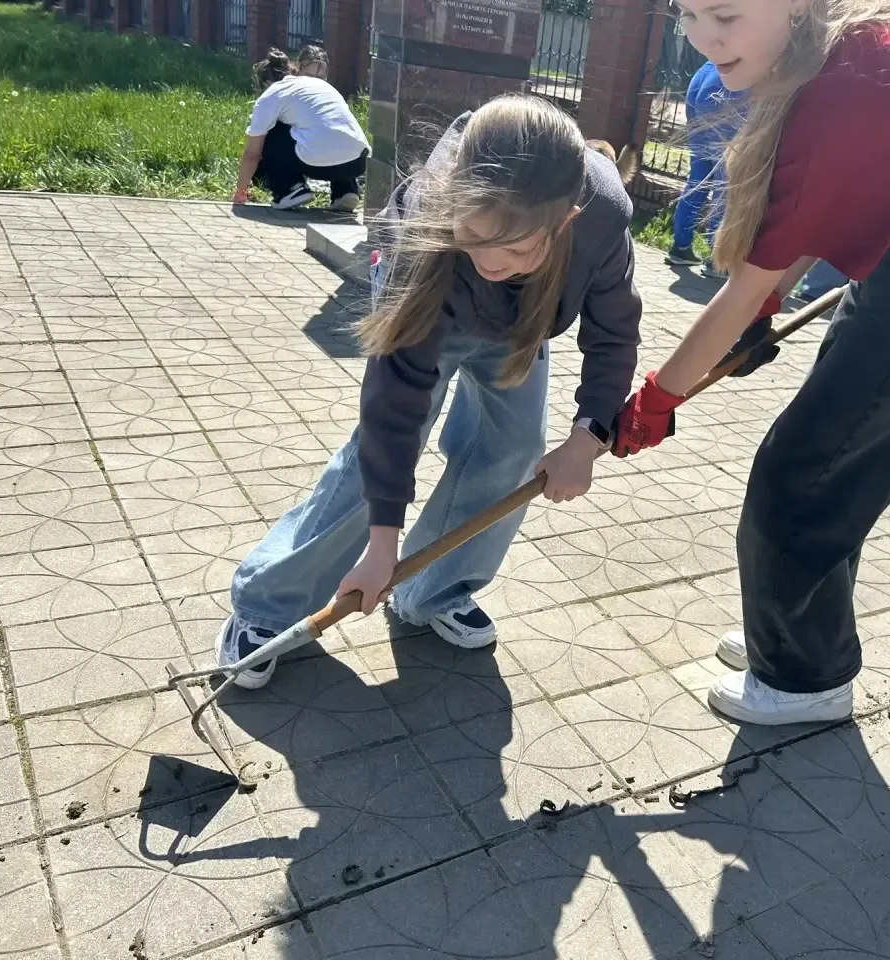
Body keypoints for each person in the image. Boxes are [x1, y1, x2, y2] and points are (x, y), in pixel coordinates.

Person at [613, 0, 890, 725]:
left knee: (805, 473)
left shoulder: (856, 78)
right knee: (835, 466)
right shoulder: (830, 61)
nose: (703, 38)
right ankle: (793, 633)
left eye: (725, 13)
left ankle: (806, 678)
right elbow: (808, 223)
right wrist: (765, 305)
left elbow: (745, 282)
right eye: (687, 14)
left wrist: (657, 399)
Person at [217, 95, 643, 688]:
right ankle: (270, 603)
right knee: (384, 451)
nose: (492, 261)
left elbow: (614, 334)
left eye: (518, 247)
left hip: (523, 320)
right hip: (435, 301)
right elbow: (393, 410)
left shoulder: (602, 218)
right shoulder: (427, 232)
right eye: (476, 235)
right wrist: (381, 547)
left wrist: (589, 436)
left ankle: (433, 588)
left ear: (566, 220)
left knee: (514, 449)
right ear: (453, 205)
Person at [232, 47, 370, 212]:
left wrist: (240, 192)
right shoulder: (324, 88)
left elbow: (252, 154)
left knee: (271, 132)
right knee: (331, 132)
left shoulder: (271, 95)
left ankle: (290, 189)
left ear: (265, 84)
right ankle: (346, 191)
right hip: (359, 162)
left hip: (317, 161)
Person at [664, 60, 742, 275]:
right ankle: (716, 259)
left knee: (698, 180)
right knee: (724, 186)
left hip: (702, 83)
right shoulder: (745, 61)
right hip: (728, 90)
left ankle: (681, 247)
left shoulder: (709, 64)